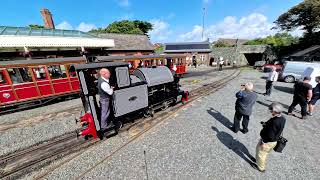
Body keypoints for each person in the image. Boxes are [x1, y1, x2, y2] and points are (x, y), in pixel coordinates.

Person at [251, 102, 286, 173]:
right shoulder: (282, 118)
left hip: (267, 142)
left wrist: (263, 142)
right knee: (264, 153)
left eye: (271, 110)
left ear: (275, 111)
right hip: (274, 142)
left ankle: (260, 168)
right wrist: (266, 125)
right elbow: (276, 128)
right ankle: (258, 161)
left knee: (261, 153)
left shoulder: (274, 122)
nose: (270, 111)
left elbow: (270, 136)